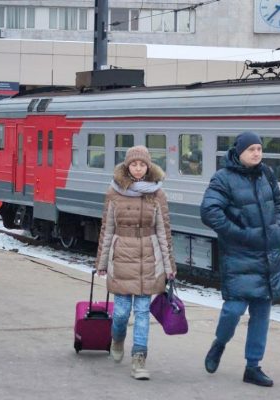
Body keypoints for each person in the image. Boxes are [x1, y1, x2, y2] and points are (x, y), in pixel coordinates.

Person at [200, 131, 280, 387]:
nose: (257, 153)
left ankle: (253, 366)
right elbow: (208, 212)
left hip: (268, 255)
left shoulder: (267, 174)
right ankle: (220, 343)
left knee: (262, 314)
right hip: (240, 255)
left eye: (259, 149)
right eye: (252, 149)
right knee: (233, 310)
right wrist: (240, 235)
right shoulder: (223, 179)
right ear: (239, 152)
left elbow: (279, 206)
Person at [95, 145, 176, 380]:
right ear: (127, 166)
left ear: (148, 167)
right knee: (121, 313)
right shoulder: (114, 192)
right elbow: (107, 228)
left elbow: (164, 232)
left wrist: (169, 266)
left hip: (148, 259)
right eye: (134, 164)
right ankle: (117, 338)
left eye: (142, 164)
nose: (138, 168)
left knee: (142, 312)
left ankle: (139, 359)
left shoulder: (158, 194)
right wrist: (101, 262)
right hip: (121, 256)